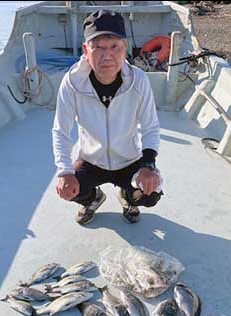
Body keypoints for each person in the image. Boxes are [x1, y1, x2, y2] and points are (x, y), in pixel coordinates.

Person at [52, 9, 163, 225]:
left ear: (125, 48)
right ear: (86, 49)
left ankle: (128, 197)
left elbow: (150, 127)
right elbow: (61, 130)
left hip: (129, 159)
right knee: (68, 190)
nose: (107, 55)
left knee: (150, 194)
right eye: (98, 47)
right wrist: (65, 171)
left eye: (115, 47)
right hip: (91, 160)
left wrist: (148, 165)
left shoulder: (138, 80)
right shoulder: (72, 83)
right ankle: (93, 198)